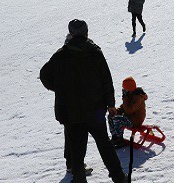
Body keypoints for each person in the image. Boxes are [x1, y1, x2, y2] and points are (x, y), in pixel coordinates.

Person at [40, 20, 128, 183]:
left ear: (71, 34)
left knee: (76, 149)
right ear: (86, 33)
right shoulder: (95, 53)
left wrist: (59, 88)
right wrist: (110, 105)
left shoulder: (61, 55)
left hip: (72, 111)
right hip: (95, 109)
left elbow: (44, 75)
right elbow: (106, 80)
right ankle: (119, 178)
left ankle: (79, 179)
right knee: (104, 144)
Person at [108, 77, 148, 148]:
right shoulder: (131, 94)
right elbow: (124, 107)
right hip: (129, 118)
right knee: (111, 116)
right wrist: (116, 111)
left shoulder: (138, 97)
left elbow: (129, 110)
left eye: (124, 87)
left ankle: (120, 140)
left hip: (135, 121)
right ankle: (115, 137)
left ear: (129, 88)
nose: (123, 89)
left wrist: (125, 98)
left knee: (117, 119)